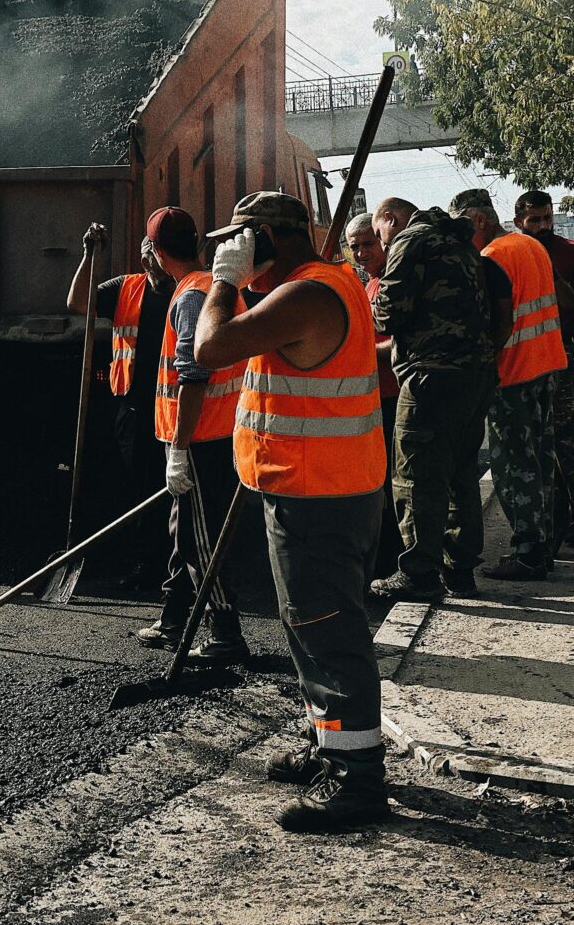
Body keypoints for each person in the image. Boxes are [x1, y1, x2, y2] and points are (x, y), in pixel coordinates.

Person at [196, 191, 388, 833]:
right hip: (313, 490)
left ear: (267, 241)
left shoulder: (308, 294)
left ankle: (357, 781)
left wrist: (224, 282)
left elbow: (212, 346)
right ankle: (329, 744)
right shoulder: (313, 285)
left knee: (329, 630)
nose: (231, 251)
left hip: (321, 496)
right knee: (310, 625)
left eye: (242, 240)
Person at [136, 206, 249, 665]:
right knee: (186, 532)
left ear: (158, 253)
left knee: (201, 541)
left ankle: (226, 634)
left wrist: (178, 450)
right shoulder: (212, 288)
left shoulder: (188, 299)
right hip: (220, 432)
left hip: (200, 439)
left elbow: (193, 376)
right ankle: (174, 618)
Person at [369, 198, 497, 601]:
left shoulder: (411, 240)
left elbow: (389, 313)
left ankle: (419, 572)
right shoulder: (462, 244)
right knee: (461, 473)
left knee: (416, 476)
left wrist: (371, 306)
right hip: (475, 374)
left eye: (377, 233)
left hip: (431, 375)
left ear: (390, 219)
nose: (381, 242)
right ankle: (459, 569)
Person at [449, 189, 568, 579]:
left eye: (463, 226)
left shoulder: (493, 257)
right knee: (541, 462)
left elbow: (498, 322)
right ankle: (544, 546)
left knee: (514, 467)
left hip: (514, 375)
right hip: (547, 366)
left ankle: (529, 553)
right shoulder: (530, 246)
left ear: (478, 220)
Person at [67, 225, 175, 590]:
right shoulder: (126, 288)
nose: (158, 266)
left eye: (162, 257)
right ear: (145, 258)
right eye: (152, 258)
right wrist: (88, 254)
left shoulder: (189, 288)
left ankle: (173, 566)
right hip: (134, 406)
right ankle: (149, 564)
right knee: (142, 486)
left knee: (174, 490)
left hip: (176, 406)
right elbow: (78, 303)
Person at [514, 190, 574, 547]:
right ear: (519, 220)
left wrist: (550, 273)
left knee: (565, 440)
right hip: (527, 360)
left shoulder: (566, 251)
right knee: (537, 443)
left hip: (564, 356)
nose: (543, 225)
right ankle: (551, 524)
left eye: (547, 217)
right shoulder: (511, 253)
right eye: (535, 219)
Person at [346, 212, 403, 578]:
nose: (362, 253)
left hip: (392, 398)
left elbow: (400, 344)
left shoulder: (394, 283)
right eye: (355, 247)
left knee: (392, 485)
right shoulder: (369, 284)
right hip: (372, 399)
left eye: (368, 244)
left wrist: (354, 352)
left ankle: (391, 562)